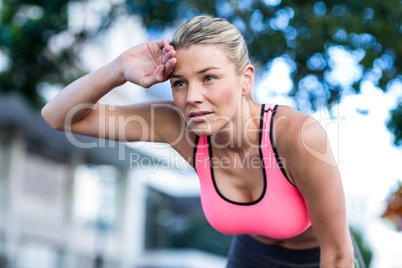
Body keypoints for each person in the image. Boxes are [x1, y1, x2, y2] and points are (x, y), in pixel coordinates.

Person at [42, 16, 365, 268]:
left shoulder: (296, 134)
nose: (192, 97)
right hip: (251, 256)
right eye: (179, 82)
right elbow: (59, 117)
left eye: (209, 77)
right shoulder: (177, 126)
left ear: (245, 79)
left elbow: (338, 253)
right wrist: (118, 67)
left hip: (323, 257)